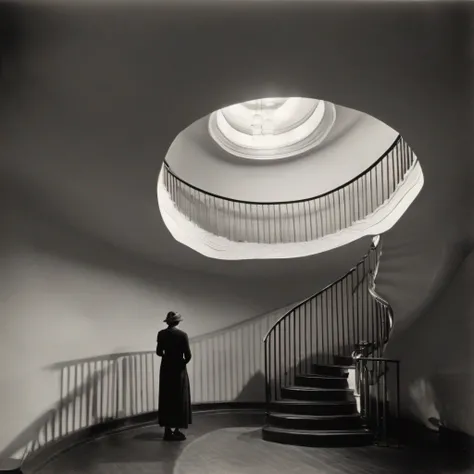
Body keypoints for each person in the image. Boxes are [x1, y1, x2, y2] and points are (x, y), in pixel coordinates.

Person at [156, 311, 192, 441]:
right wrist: (181, 363)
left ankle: (167, 430)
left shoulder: (161, 334)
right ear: (178, 322)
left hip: (166, 367)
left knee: (167, 397)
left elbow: (159, 352)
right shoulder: (183, 335)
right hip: (178, 368)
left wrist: (167, 356)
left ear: (168, 322)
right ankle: (177, 429)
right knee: (179, 396)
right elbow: (188, 355)